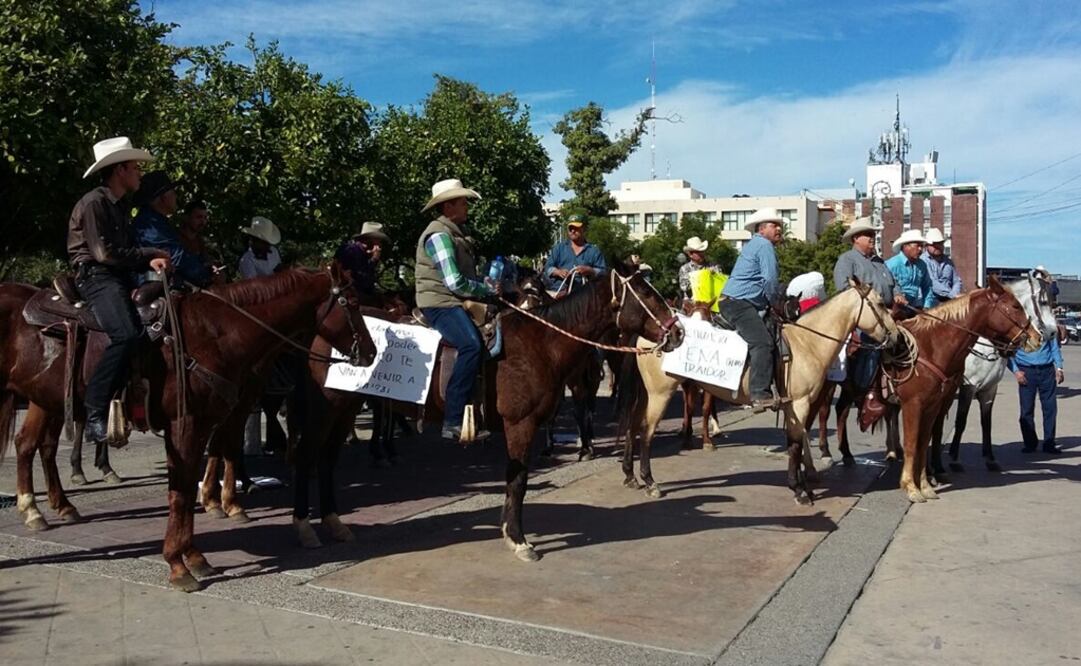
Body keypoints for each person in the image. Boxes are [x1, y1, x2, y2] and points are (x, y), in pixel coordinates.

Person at [67, 137, 172, 444]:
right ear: (120, 170)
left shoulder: (117, 206)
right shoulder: (94, 203)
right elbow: (104, 254)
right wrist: (150, 253)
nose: (139, 173)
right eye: (135, 167)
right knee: (125, 334)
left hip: (118, 277)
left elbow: (125, 252)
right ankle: (95, 410)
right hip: (97, 277)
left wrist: (151, 261)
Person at [414, 178, 499, 442]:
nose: (467, 207)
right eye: (463, 202)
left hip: (452, 300)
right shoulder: (439, 235)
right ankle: (452, 418)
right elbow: (453, 282)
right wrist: (485, 290)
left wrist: (484, 284)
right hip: (439, 303)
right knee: (471, 344)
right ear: (448, 205)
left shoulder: (454, 233)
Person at [718, 207, 784, 412]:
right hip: (739, 303)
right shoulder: (764, 245)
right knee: (762, 342)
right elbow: (770, 279)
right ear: (762, 228)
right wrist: (775, 302)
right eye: (774, 225)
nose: (779, 229)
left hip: (736, 301)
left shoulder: (753, 244)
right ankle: (759, 394)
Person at [833, 217, 900, 390]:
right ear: (856, 238)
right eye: (868, 234)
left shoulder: (880, 261)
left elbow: (894, 284)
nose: (872, 238)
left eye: (873, 234)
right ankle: (864, 388)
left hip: (887, 313)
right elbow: (845, 290)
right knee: (871, 344)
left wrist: (898, 295)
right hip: (863, 316)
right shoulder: (847, 260)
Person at [132, 172, 213, 288]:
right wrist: (206, 275)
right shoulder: (150, 225)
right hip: (152, 283)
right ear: (163, 197)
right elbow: (176, 258)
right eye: (173, 192)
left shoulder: (157, 221)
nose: (176, 196)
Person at [1008, 333, 1065, 454]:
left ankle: (1049, 443)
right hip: (1026, 371)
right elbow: (1008, 352)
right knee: (1026, 410)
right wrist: (1016, 371)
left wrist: (1059, 368)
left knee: (1050, 409)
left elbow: (1054, 347)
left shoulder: (1047, 327)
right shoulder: (1017, 329)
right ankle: (1030, 443)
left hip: (1047, 370)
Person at [542, 214, 607, 294]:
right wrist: (558, 272)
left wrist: (590, 270)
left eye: (576, 228)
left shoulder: (594, 251)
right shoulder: (559, 248)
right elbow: (548, 268)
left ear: (584, 229)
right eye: (570, 228)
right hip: (559, 294)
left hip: (584, 294)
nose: (573, 231)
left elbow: (603, 272)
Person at [885, 229, 935, 316]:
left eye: (921, 246)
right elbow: (885, 287)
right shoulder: (891, 264)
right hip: (894, 309)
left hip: (913, 307)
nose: (920, 249)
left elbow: (927, 287)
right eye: (917, 246)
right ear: (905, 246)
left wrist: (926, 306)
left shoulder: (922, 265)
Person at [335, 221, 389, 297]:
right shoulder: (351, 251)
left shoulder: (364, 254)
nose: (380, 244)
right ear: (369, 239)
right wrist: (374, 260)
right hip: (349, 296)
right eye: (378, 240)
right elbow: (361, 279)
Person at [920, 228, 962, 302]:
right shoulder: (923, 261)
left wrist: (955, 294)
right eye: (934, 244)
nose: (937, 246)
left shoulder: (948, 261)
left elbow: (956, 281)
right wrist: (952, 295)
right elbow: (932, 282)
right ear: (927, 246)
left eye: (940, 243)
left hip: (950, 299)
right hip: (930, 300)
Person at [678, 236, 714, 300]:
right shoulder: (684, 269)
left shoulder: (713, 266)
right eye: (698, 252)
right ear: (690, 254)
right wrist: (703, 276)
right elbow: (684, 287)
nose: (702, 254)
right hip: (692, 304)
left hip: (710, 302)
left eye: (702, 251)